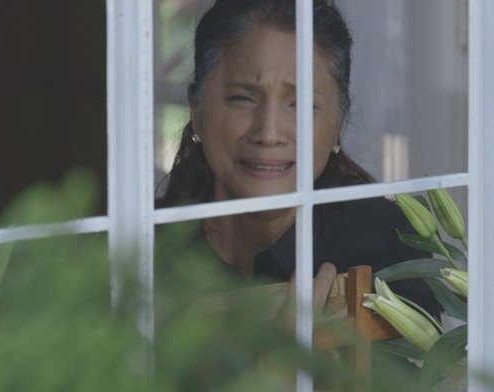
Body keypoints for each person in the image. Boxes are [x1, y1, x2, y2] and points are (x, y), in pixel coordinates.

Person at [156, 0, 438, 318]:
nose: (269, 133)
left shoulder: (388, 243)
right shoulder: (142, 250)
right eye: (242, 99)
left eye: (301, 104)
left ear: (337, 125)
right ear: (196, 112)